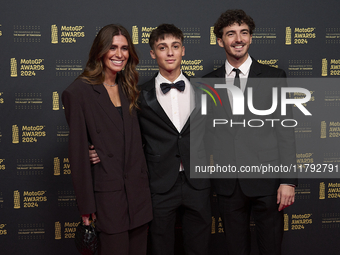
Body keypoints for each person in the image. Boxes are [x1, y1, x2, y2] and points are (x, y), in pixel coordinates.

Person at [90, 24, 211, 255]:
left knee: (200, 247)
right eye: (162, 47)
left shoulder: (205, 91)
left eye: (175, 46)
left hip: (199, 182)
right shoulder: (136, 94)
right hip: (158, 184)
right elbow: (121, 131)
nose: (170, 53)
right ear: (153, 53)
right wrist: (92, 149)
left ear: (183, 50)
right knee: (159, 246)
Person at [203, 9, 297, 255]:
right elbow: (202, 133)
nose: (238, 39)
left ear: (251, 38)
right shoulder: (207, 83)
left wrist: (288, 180)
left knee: (271, 248)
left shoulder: (274, 76)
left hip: (268, 182)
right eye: (231, 33)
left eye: (244, 33)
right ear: (220, 40)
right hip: (228, 184)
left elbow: (285, 131)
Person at [62, 24, 152, 255]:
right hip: (107, 199)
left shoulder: (128, 86)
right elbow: (78, 156)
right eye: (112, 48)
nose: (119, 54)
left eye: (124, 48)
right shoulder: (78, 92)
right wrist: (86, 209)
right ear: (100, 51)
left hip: (138, 195)